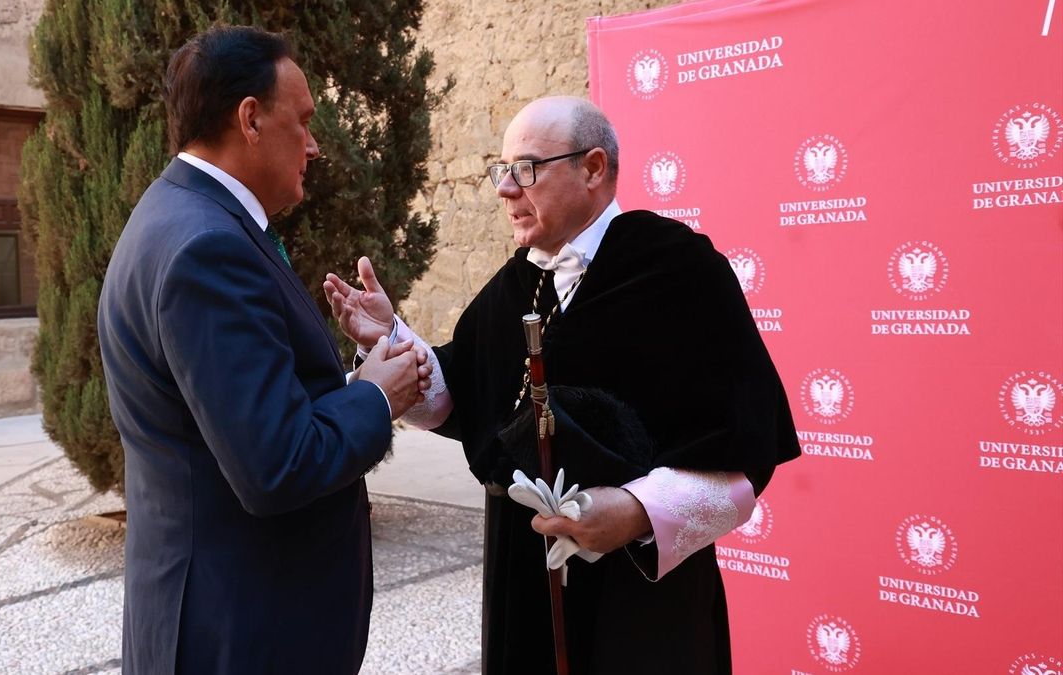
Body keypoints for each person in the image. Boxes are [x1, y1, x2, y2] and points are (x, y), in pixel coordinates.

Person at [324, 96, 801, 673]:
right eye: (501, 171)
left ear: (593, 168)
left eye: (525, 169)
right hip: (521, 576)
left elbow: (741, 450)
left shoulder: (682, 270)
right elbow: (463, 396)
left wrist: (633, 511)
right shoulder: (515, 283)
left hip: (638, 595)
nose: (504, 190)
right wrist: (390, 338)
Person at [97, 26, 430, 674]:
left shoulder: (177, 215)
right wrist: (374, 394)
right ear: (250, 118)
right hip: (240, 631)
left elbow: (242, 413)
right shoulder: (207, 249)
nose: (313, 146)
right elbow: (276, 465)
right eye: (302, 122)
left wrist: (350, 376)